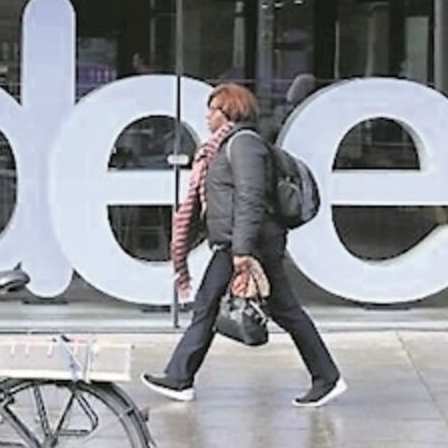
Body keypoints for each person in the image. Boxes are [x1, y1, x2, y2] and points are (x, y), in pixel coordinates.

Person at [141, 83, 346, 408]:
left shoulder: (244, 144)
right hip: (238, 241)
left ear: (230, 112)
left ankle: (326, 377)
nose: (207, 116)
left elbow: (251, 199)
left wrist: (242, 250)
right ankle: (180, 377)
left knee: (269, 310)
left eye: (213, 110)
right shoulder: (221, 148)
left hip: (251, 243)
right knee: (220, 306)